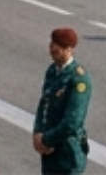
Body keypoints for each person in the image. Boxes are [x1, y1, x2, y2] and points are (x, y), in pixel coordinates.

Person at [30, 28, 90, 175]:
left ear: (69, 49)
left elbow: (72, 121)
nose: (52, 50)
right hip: (49, 152)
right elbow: (44, 104)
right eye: (52, 45)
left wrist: (47, 139)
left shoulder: (78, 78)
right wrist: (37, 133)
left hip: (68, 152)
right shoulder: (52, 71)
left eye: (57, 47)